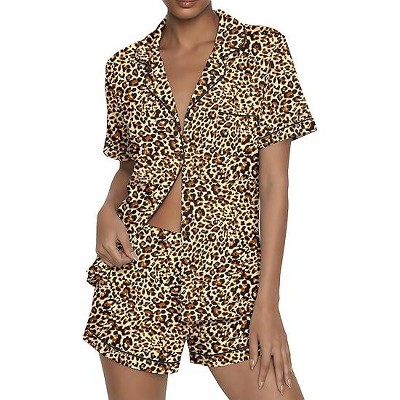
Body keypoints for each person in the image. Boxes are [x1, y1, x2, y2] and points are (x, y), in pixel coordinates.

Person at [82, 1, 317, 399]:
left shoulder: (261, 49)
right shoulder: (124, 67)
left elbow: (275, 183)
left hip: (229, 272)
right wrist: (107, 209)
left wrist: (268, 303)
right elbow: (130, 167)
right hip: (137, 268)